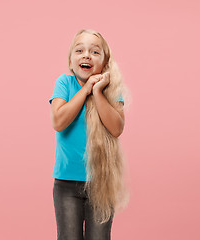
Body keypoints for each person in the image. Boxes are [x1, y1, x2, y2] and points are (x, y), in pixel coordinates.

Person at [49, 29, 129, 240]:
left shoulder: (110, 90)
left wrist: (97, 92)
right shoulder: (64, 83)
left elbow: (116, 128)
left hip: (101, 182)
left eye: (94, 52)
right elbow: (58, 121)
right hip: (66, 184)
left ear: (104, 63)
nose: (86, 55)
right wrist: (84, 91)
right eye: (80, 50)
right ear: (70, 61)